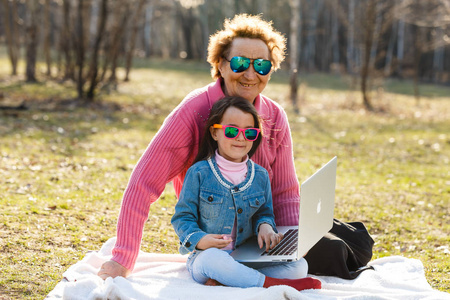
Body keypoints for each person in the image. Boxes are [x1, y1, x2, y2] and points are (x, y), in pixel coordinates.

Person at [98, 13, 373, 280]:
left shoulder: (275, 116)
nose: (251, 74)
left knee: (353, 243)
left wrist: (289, 245)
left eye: (262, 66)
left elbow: (285, 192)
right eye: (240, 63)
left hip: (262, 230)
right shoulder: (194, 112)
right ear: (221, 64)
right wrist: (122, 258)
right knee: (335, 251)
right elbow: (142, 184)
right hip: (218, 236)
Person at [170, 96, 321, 290]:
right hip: (206, 258)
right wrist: (200, 239)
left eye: (249, 133)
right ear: (215, 133)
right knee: (213, 260)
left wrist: (265, 226)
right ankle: (268, 283)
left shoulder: (260, 176)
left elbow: (264, 213)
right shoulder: (199, 173)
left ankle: (230, 279)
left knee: (300, 266)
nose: (241, 138)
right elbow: (182, 217)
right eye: (232, 131)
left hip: (246, 258)